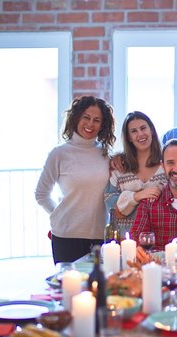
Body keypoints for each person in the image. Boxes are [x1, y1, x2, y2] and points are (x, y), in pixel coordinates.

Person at [35, 95, 116, 264]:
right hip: (65, 237)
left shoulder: (107, 155)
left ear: (102, 125)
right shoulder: (59, 154)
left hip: (99, 236)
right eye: (86, 117)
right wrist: (59, 214)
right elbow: (41, 194)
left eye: (97, 120)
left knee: (98, 288)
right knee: (69, 289)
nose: (90, 124)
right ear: (76, 118)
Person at [104, 111, 167, 235]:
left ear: (152, 131)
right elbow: (113, 211)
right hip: (125, 240)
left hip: (161, 238)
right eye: (134, 131)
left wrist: (127, 205)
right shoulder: (118, 167)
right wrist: (137, 196)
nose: (140, 134)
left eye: (143, 128)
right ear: (129, 138)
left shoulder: (167, 163)